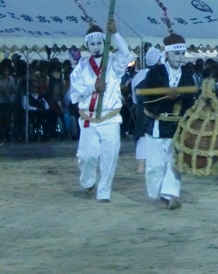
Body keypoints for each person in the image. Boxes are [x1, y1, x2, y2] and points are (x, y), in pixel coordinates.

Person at [69, 19, 135, 202]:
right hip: (89, 118)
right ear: (87, 45)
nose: (96, 47)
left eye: (99, 43)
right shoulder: (80, 68)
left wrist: (115, 33)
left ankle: (104, 191)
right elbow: (74, 92)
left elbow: (127, 54)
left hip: (110, 118)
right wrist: (93, 86)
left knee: (109, 156)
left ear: (104, 44)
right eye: (92, 44)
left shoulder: (113, 63)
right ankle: (88, 181)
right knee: (86, 156)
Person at [140, 32, 196, 210]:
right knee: (155, 166)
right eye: (176, 54)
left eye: (182, 54)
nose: (180, 58)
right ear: (167, 54)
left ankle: (171, 194)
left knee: (175, 162)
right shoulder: (154, 73)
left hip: (177, 125)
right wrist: (166, 95)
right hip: (157, 123)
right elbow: (146, 97)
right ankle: (160, 194)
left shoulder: (187, 76)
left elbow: (191, 99)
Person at [130, 47, 162, 173]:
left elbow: (133, 97)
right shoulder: (160, 74)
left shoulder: (138, 75)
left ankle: (141, 166)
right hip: (155, 108)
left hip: (140, 107)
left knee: (142, 135)